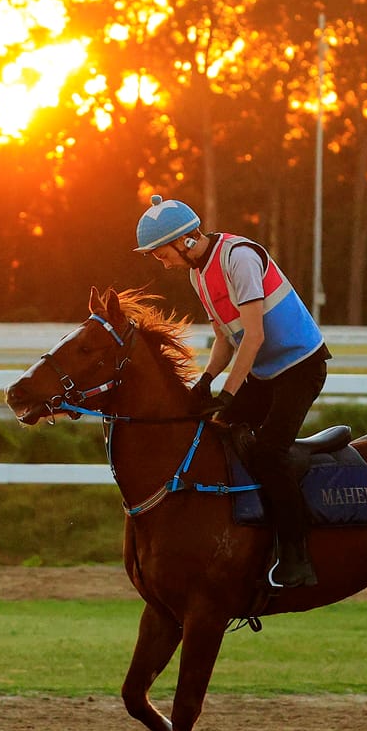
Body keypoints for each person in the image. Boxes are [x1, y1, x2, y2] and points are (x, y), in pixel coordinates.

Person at [135, 195, 328, 589]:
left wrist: (228, 393)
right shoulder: (197, 275)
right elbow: (226, 337)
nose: (161, 261)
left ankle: (297, 556)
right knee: (214, 434)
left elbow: (253, 337)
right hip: (264, 371)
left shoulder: (238, 257)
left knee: (268, 453)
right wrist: (206, 382)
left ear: (186, 240)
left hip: (300, 368)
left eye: (161, 253)